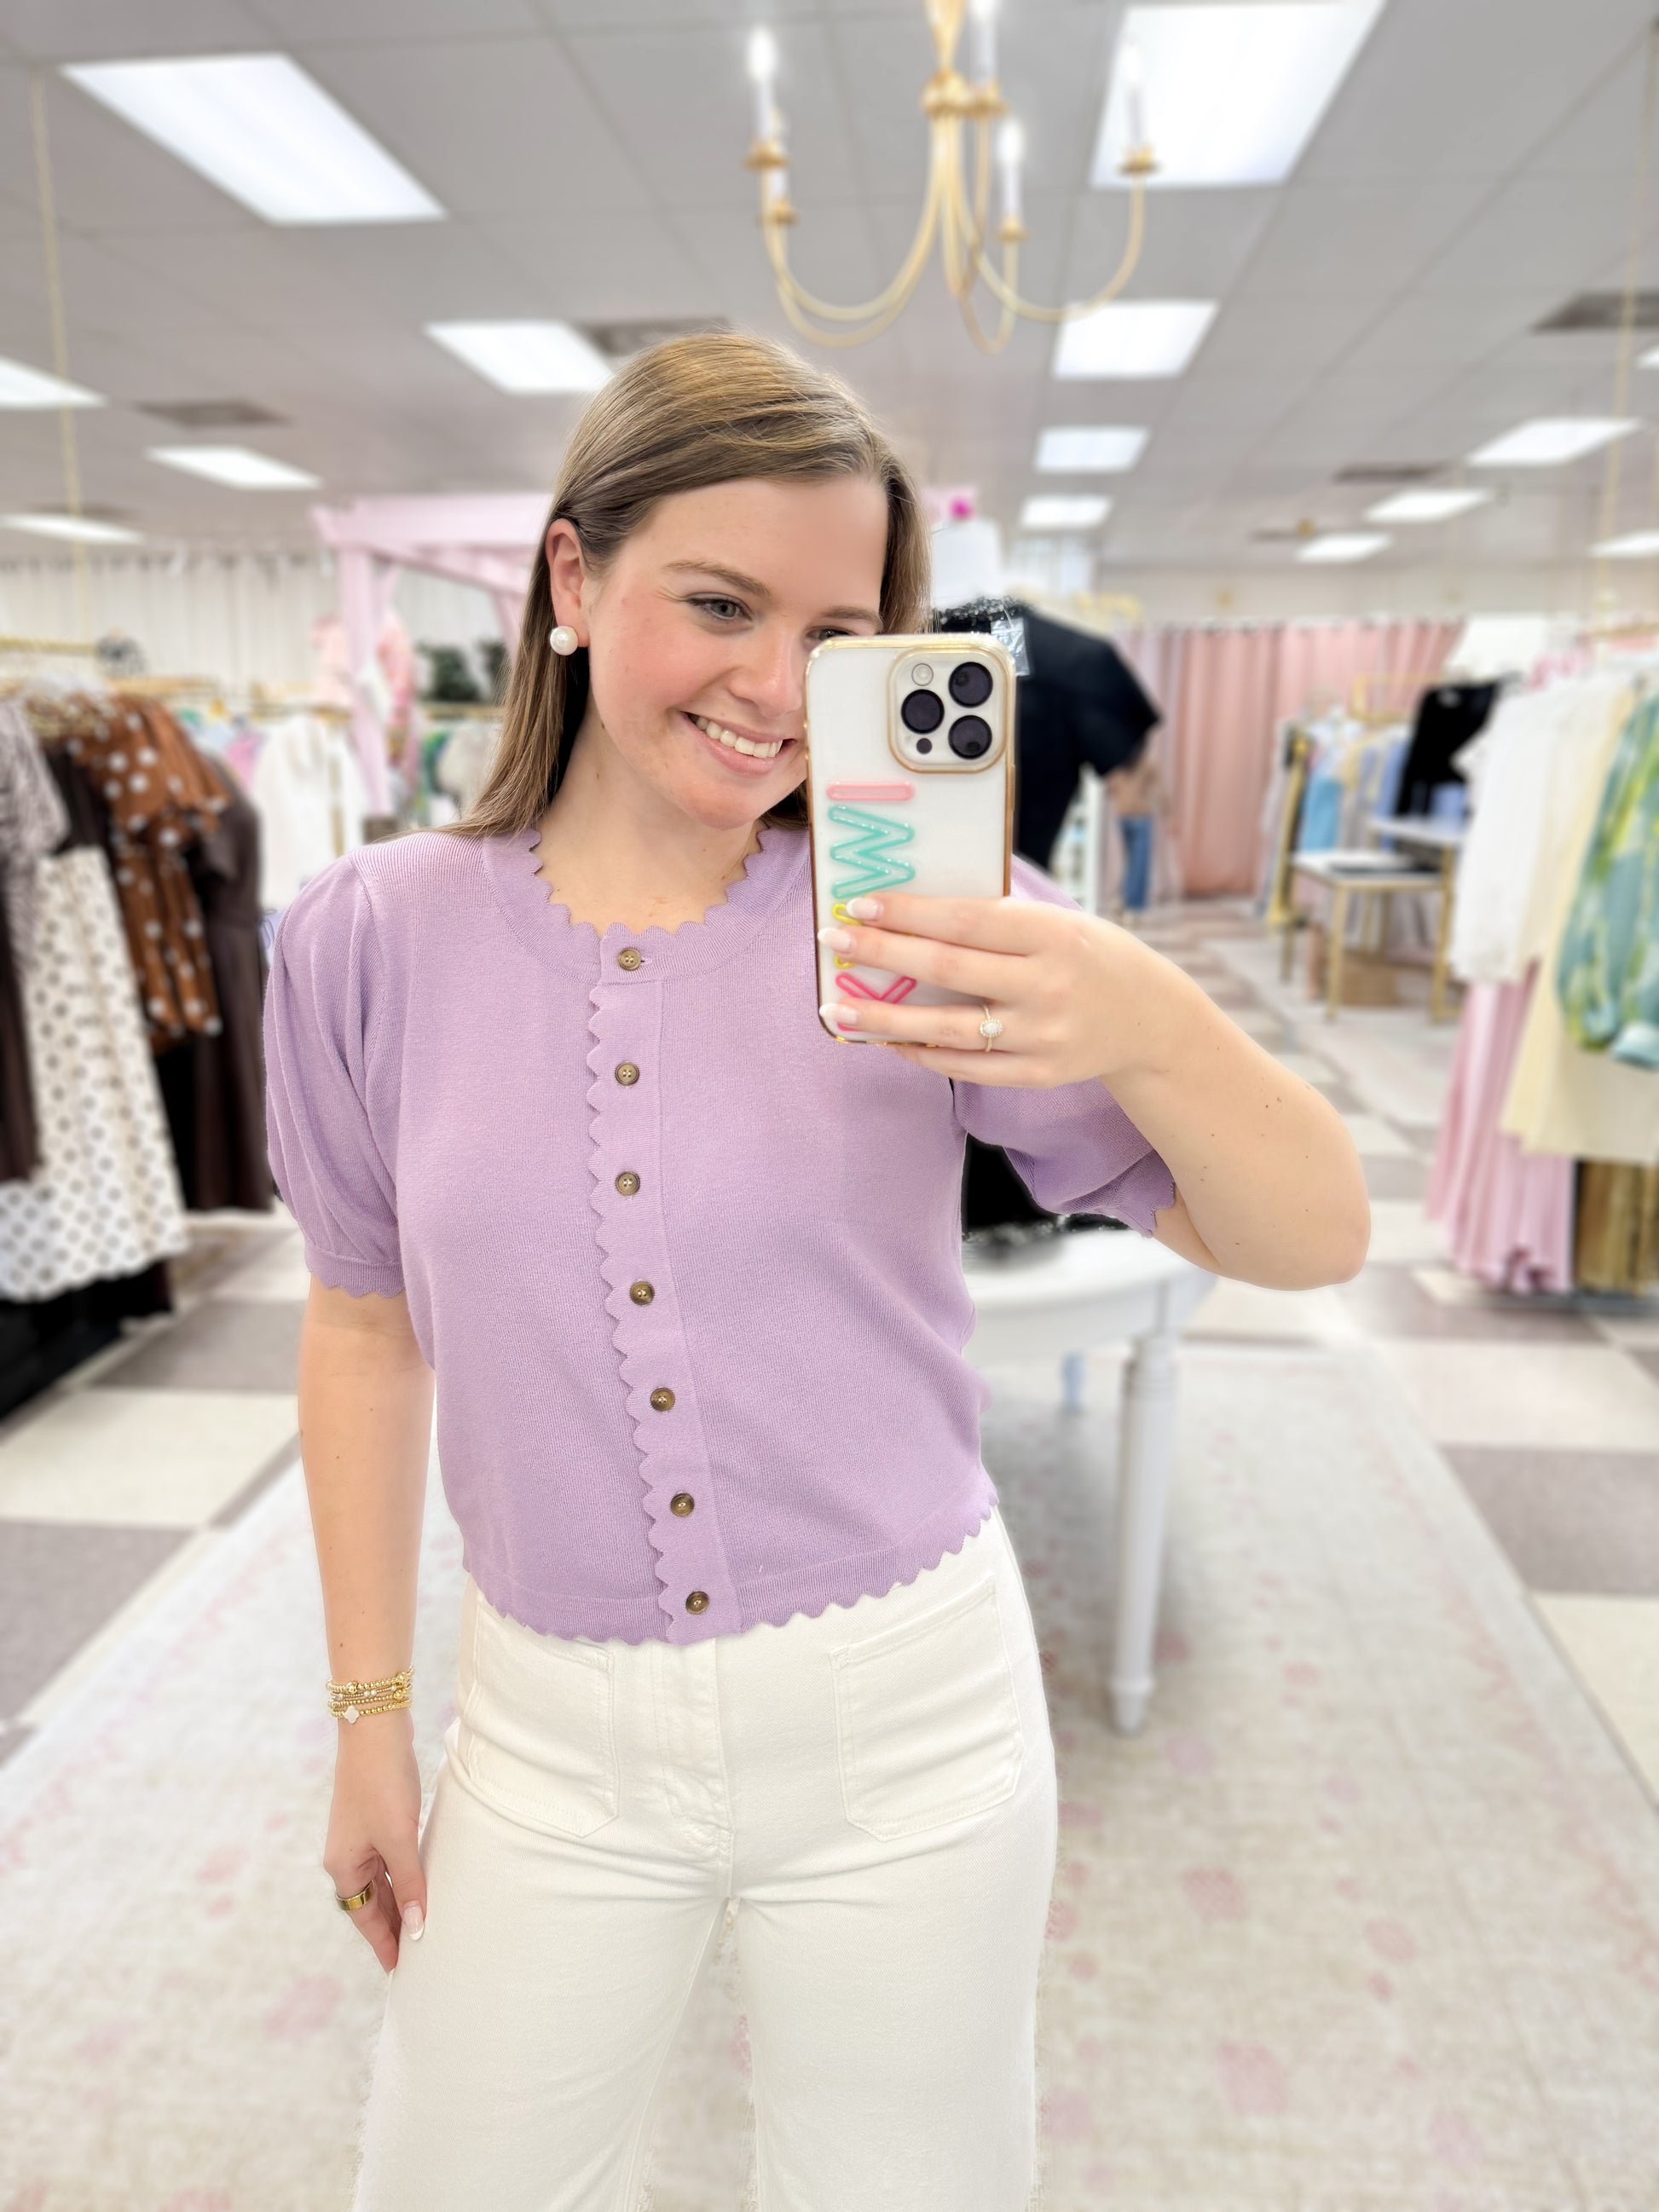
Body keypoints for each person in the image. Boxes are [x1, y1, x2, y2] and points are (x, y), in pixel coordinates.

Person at [264, 332, 1369, 2212]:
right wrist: (369, 1722)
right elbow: (365, 1331)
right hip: (545, 1734)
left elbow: (1312, 1235)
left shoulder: (926, 927)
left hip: (909, 1718)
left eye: (838, 635)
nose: (776, 690)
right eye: (718, 604)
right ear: (569, 578)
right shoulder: (371, 939)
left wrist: (1148, 1010)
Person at [1106, 742, 1168, 921]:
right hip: (1141, 817)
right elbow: (1160, 791)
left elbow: (1109, 789)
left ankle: (1124, 899)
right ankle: (1132, 906)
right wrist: (1168, 813)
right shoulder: (1147, 764)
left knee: (1131, 862)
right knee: (1139, 865)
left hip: (1123, 817)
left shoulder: (1117, 764)